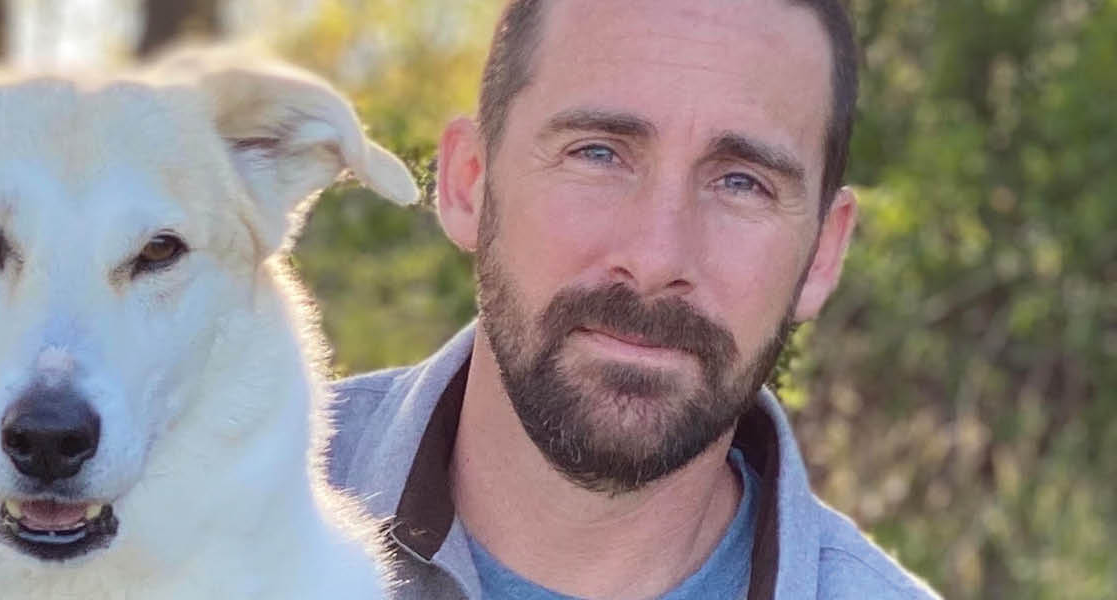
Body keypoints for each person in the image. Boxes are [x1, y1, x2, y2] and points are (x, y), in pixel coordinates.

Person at [324, 0, 939, 597]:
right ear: (468, 184)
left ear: (823, 255)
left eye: (742, 183)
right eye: (597, 153)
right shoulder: (233, 506)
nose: (655, 260)